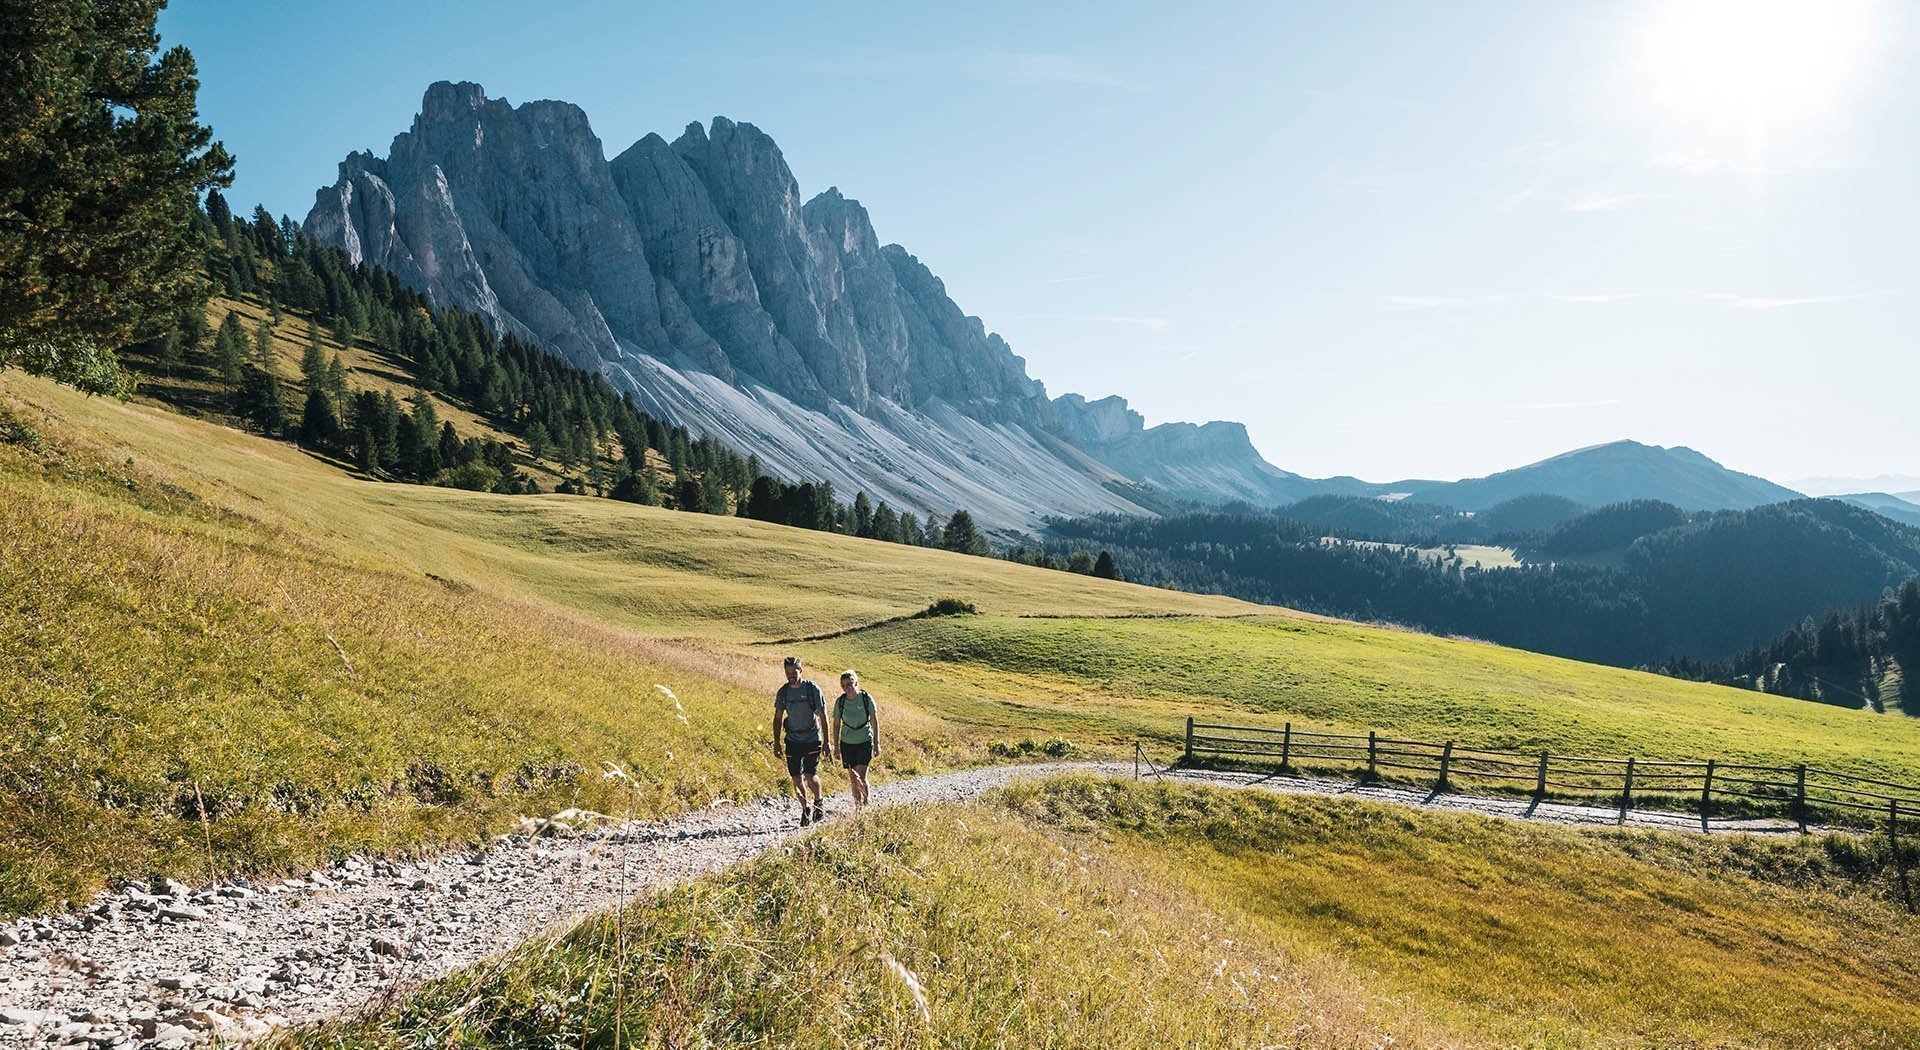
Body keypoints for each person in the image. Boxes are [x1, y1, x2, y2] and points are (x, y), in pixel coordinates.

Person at [773, 656, 831, 826]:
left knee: (810, 774)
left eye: (794, 672)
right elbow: (777, 718)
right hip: (792, 740)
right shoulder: (783, 692)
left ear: (801, 670)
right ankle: (805, 809)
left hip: (812, 738)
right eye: (788, 672)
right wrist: (776, 742)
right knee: (796, 778)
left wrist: (827, 741)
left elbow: (823, 715)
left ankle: (818, 802)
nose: (791, 675)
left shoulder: (812, 689)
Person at [831, 670, 881, 807]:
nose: (848, 687)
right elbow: (836, 725)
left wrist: (876, 744)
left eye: (850, 684)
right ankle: (858, 807)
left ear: (856, 683)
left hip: (864, 741)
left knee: (861, 776)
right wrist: (836, 747)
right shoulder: (840, 702)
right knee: (853, 779)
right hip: (847, 743)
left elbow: (875, 721)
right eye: (844, 685)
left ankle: (865, 803)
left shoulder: (866, 698)